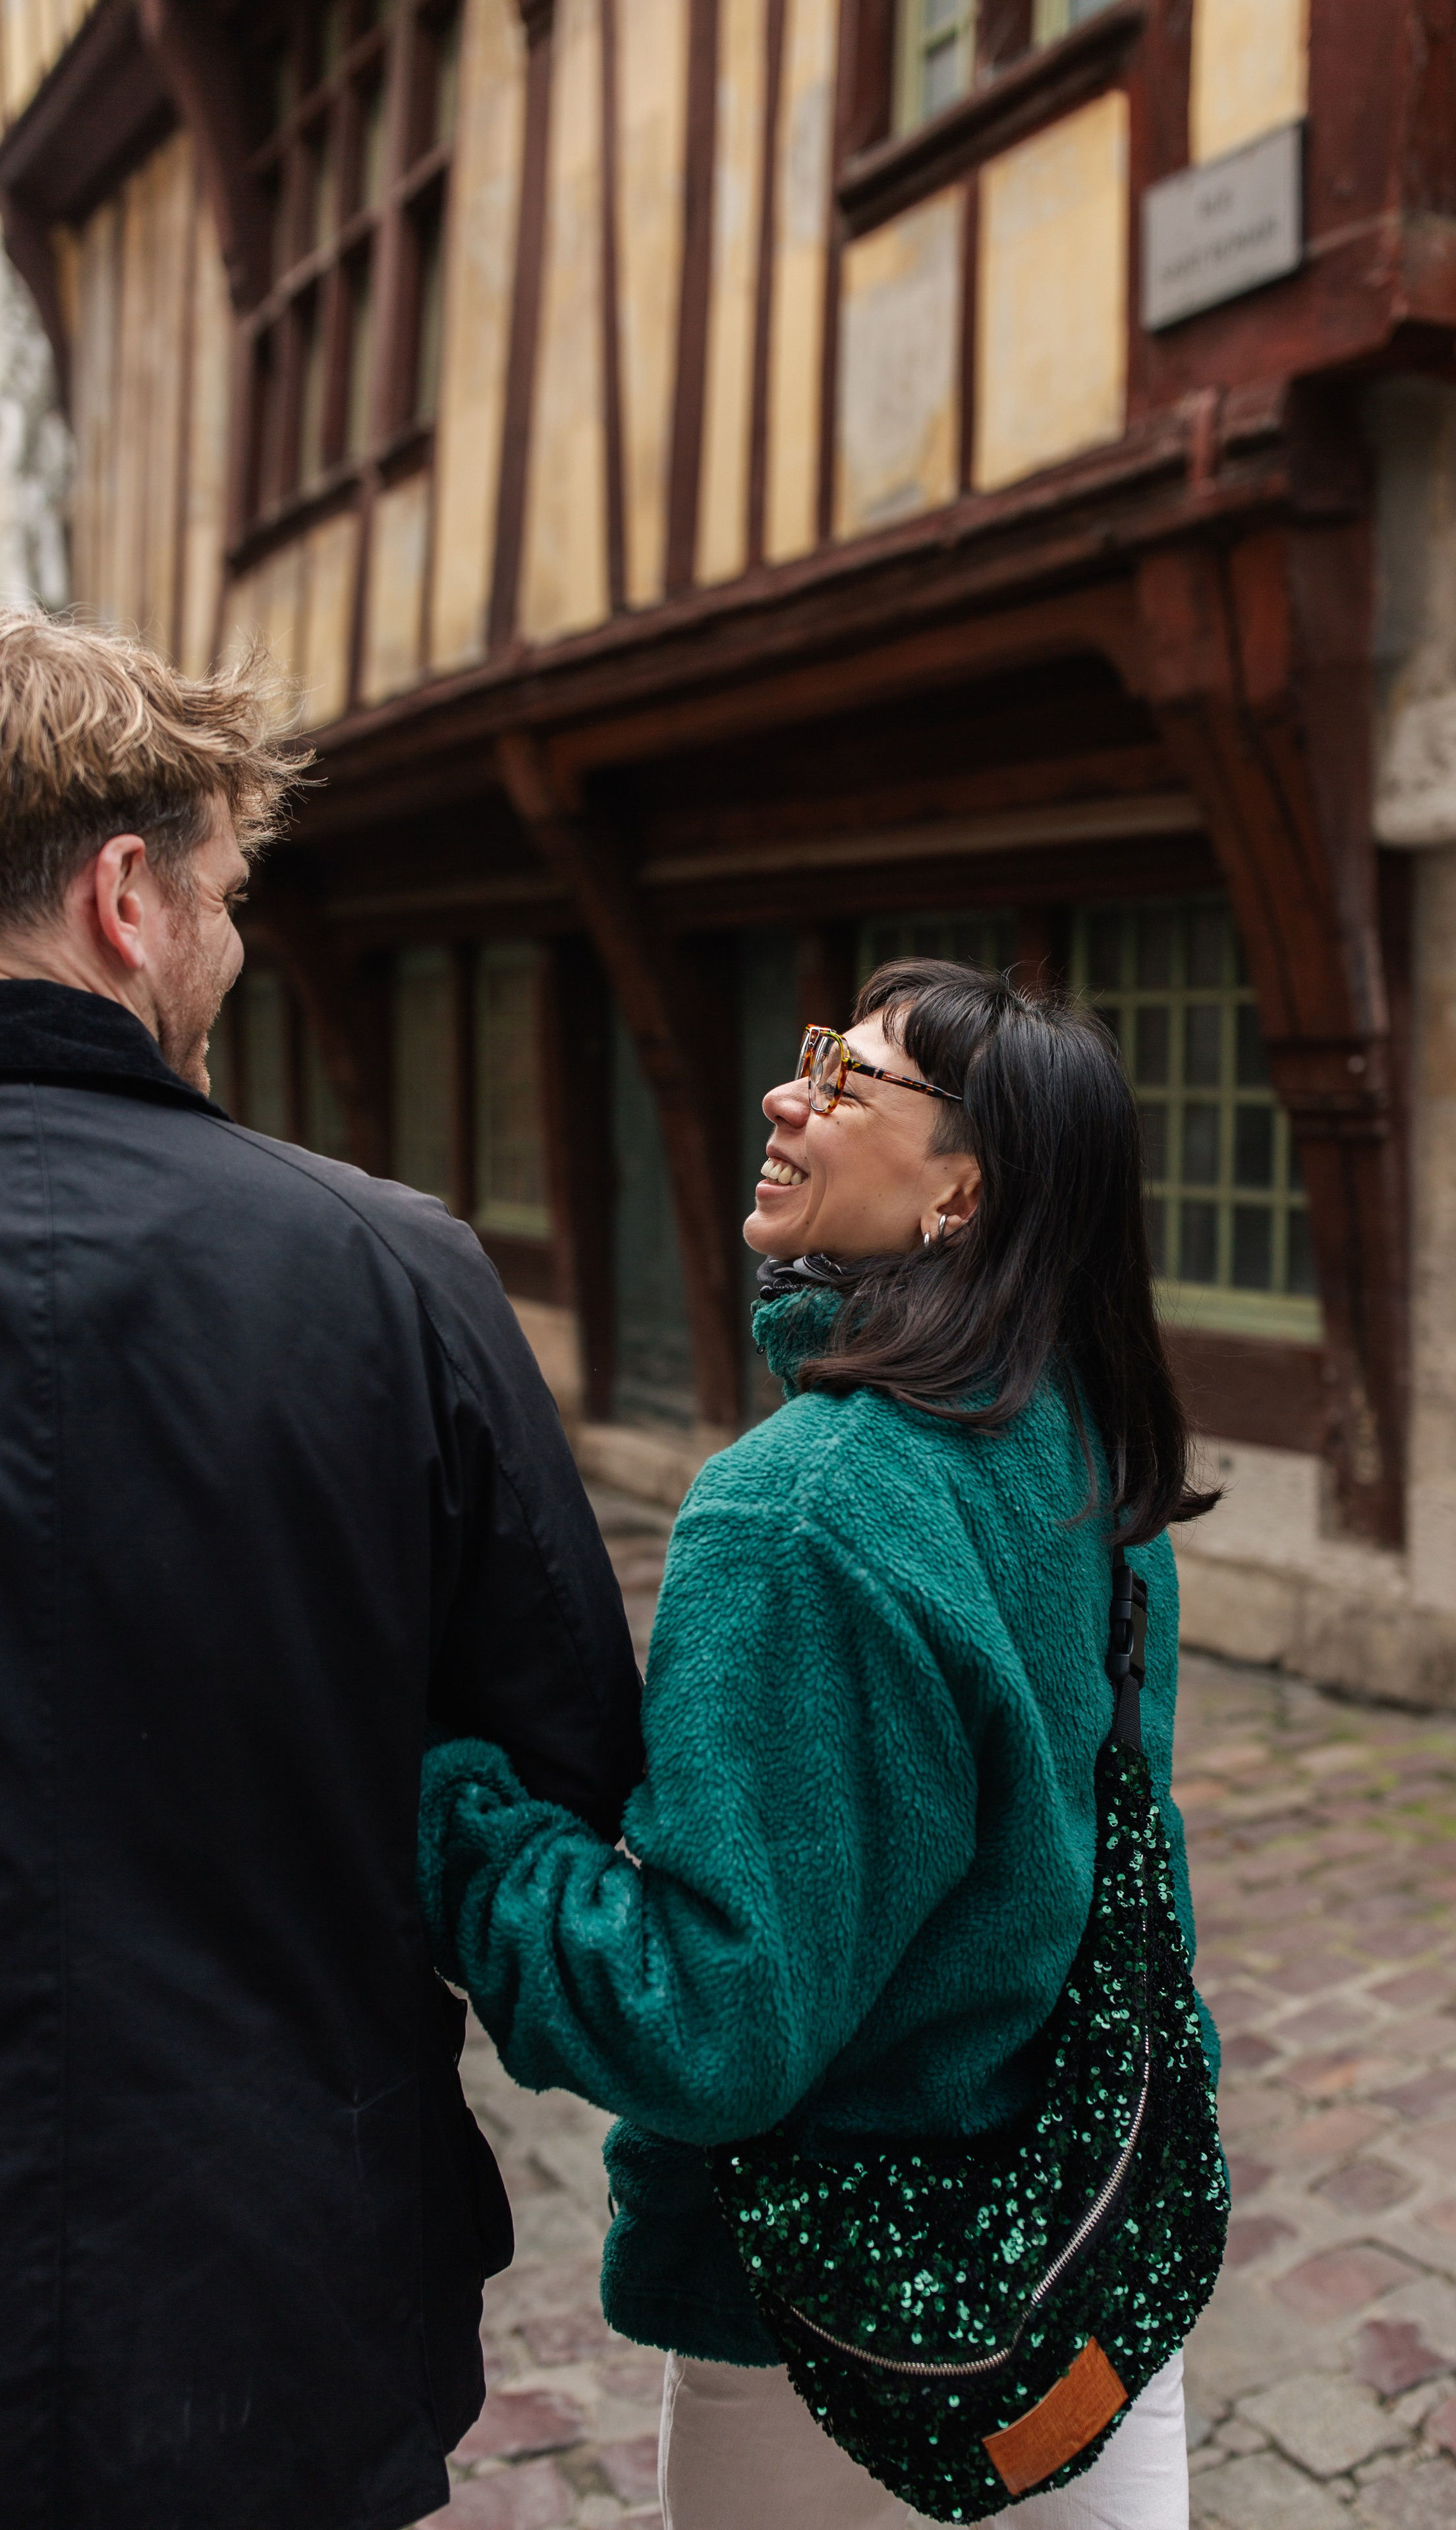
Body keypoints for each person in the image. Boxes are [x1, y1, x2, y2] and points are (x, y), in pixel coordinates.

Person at [422, 959, 1219, 2530]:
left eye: (850, 1083)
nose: (787, 1098)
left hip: (844, 2340)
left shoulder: (805, 1509)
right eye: (809, 1060)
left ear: (958, 1195)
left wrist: (446, 1806)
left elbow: (705, 2027)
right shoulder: (1082, 1439)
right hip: (1082, 2253)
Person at [0, 612, 645, 2530]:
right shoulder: (390, 1271)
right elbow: (575, 1769)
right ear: (128, 896)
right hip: (259, 2304)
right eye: (219, 896)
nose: (233, 946)